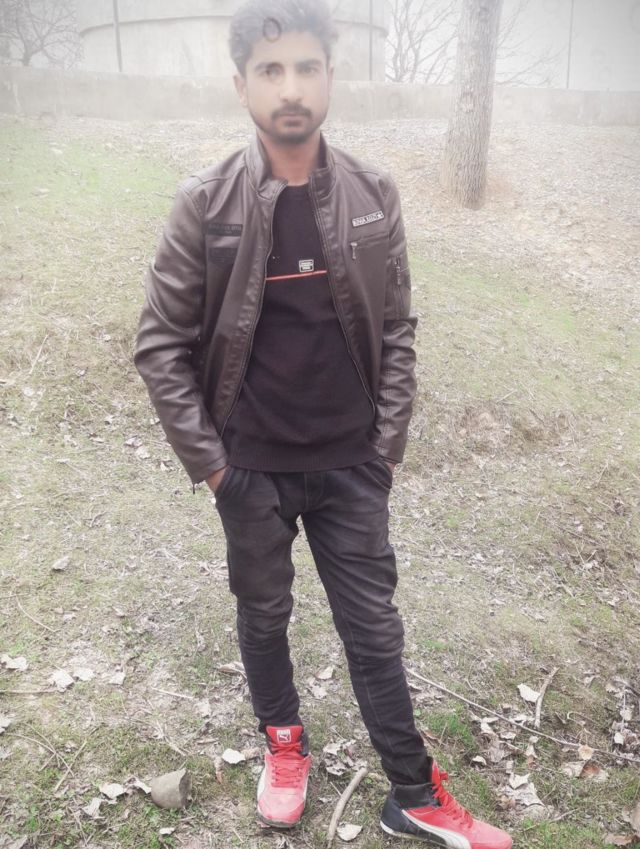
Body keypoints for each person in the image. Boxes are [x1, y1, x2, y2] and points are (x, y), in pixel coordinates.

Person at [134, 1, 512, 846]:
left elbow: (398, 326)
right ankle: (284, 745)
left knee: (374, 628)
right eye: (270, 70)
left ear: (331, 77)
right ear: (242, 86)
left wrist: (385, 448)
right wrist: (215, 466)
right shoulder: (205, 203)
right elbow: (159, 344)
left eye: (306, 67)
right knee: (263, 614)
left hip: (352, 465)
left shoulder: (374, 194)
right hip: (250, 467)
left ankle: (412, 793)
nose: (291, 88)